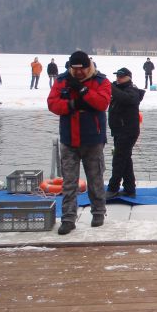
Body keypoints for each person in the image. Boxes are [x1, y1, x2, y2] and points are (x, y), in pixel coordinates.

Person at [47, 51, 111, 235]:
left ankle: (98, 212)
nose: (78, 73)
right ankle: (68, 219)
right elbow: (52, 104)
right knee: (69, 182)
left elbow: (102, 103)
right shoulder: (61, 80)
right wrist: (72, 105)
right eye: (74, 69)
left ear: (88, 65)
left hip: (93, 140)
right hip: (69, 140)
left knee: (95, 178)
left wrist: (84, 91)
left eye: (81, 69)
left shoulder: (101, 81)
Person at [106, 67, 145, 200]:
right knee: (125, 160)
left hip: (127, 132)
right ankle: (129, 189)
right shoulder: (119, 90)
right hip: (119, 131)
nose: (118, 78)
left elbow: (126, 99)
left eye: (121, 76)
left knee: (118, 160)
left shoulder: (132, 91)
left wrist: (111, 87)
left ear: (129, 77)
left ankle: (113, 188)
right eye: (117, 76)